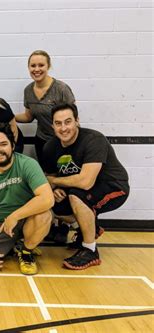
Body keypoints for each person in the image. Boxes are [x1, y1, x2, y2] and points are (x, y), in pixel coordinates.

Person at [43, 104, 130, 270]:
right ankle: (89, 229)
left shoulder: (93, 139)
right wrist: (54, 189)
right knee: (51, 202)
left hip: (113, 187)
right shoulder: (50, 147)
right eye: (58, 123)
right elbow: (51, 177)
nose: (63, 128)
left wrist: (55, 182)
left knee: (77, 195)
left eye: (68, 122)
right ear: (52, 125)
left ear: (77, 121)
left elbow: (85, 182)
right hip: (81, 190)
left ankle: (90, 250)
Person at [0, 123, 54, 275]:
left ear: (12, 146)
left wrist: (15, 216)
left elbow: (47, 199)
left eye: (3, 144)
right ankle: (16, 244)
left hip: (27, 219)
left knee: (44, 215)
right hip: (1, 224)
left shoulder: (28, 164)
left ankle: (26, 251)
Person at [15, 50, 75, 161]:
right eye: (33, 66)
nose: (36, 69)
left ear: (48, 66)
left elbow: (74, 119)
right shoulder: (28, 90)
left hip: (63, 141)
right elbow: (28, 117)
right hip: (42, 141)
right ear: (28, 68)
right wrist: (9, 116)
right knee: (45, 175)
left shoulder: (61, 89)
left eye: (41, 65)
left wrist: (71, 142)